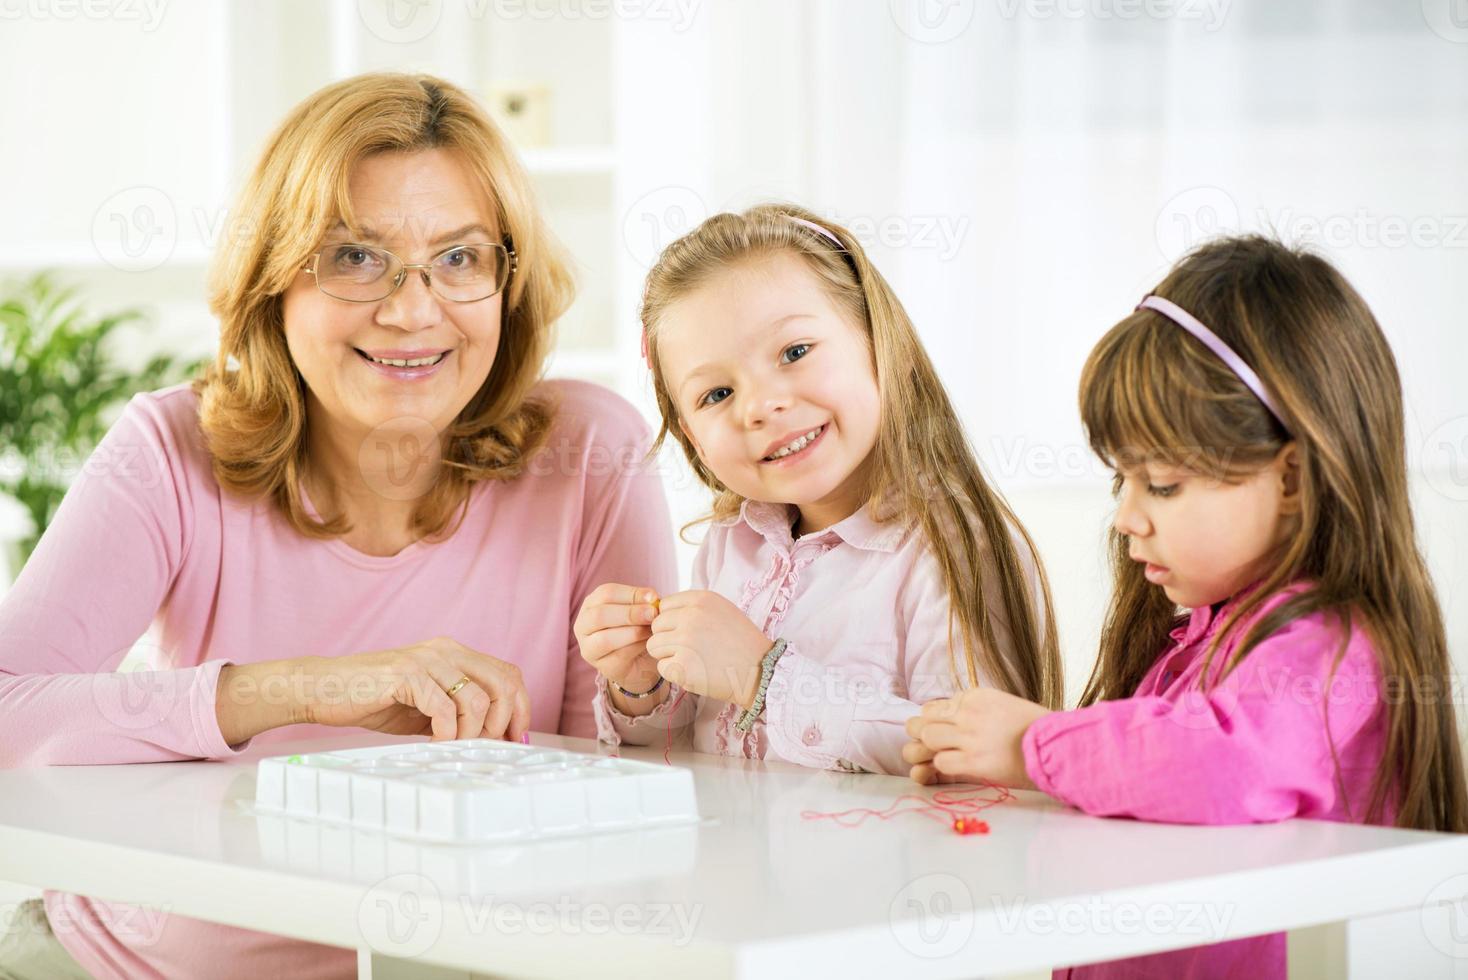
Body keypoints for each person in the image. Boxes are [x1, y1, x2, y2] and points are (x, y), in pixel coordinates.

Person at [0, 72, 675, 980]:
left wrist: (649, 698)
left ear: (510, 285)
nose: (410, 308)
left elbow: (635, 791)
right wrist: (309, 690)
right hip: (130, 966)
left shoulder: (589, 454)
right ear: (273, 279)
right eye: (354, 256)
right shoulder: (166, 450)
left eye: (461, 258)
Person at [906, 235, 1468, 978]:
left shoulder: (1334, 646)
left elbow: (1222, 764)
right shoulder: (1202, 638)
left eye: (1162, 484)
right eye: (1121, 481)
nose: (1126, 517)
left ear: (1292, 480)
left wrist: (1035, 746)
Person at [576, 203, 1061, 775]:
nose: (761, 406)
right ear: (694, 438)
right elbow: (691, 750)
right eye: (717, 395)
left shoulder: (954, 548)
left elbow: (965, 763)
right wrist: (644, 687)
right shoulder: (732, 546)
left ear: (881, 342)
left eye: (795, 352)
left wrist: (764, 674)